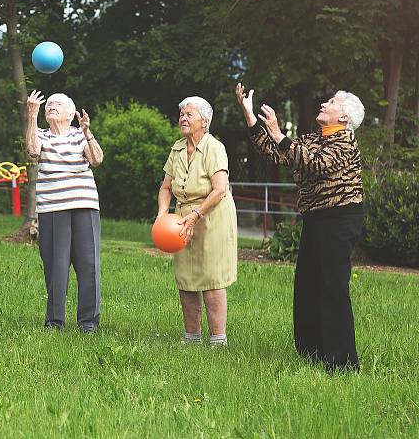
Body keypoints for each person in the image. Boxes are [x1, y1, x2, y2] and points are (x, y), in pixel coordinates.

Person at [236, 83, 365, 371]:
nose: (323, 103)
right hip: (316, 217)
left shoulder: (345, 141)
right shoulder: (315, 137)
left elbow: (315, 164)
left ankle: (342, 363)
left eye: (331, 102)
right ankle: (312, 353)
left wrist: (280, 135)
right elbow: (280, 154)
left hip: (340, 217)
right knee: (308, 285)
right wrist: (251, 117)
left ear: (344, 117)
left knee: (332, 287)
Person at [156, 97, 238, 347]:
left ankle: (218, 340)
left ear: (205, 120)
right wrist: (162, 215)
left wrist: (196, 215)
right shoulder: (177, 148)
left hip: (211, 216)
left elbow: (219, 190)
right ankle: (191, 336)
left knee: (211, 278)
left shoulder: (215, 148)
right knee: (186, 277)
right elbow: (166, 187)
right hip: (182, 219)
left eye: (189, 114)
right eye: (181, 113)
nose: (183, 118)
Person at [25, 90, 103, 332]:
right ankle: (54, 321)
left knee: (89, 264)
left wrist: (88, 133)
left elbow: (97, 159)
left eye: (58, 104)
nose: (51, 106)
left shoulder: (81, 135)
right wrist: (31, 115)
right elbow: (32, 151)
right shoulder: (40, 134)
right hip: (52, 208)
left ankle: (88, 323)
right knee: (55, 266)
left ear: (72, 113)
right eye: (49, 104)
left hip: (84, 205)